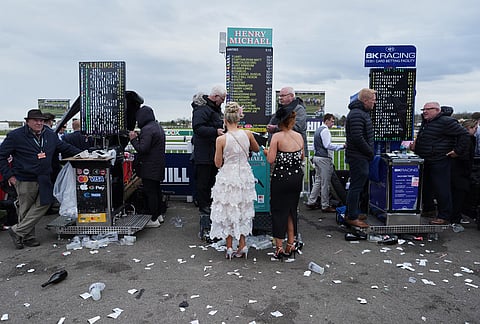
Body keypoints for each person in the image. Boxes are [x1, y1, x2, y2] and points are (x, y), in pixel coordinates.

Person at [0, 109, 82, 249]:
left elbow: (65, 147)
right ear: (28, 122)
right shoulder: (15, 136)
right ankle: (27, 238)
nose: (39, 123)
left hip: (44, 177)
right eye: (36, 120)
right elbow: (1, 156)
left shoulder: (50, 134)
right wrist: (9, 175)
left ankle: (17, 231)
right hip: (24, 178)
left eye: (41, 120)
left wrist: (85, 153)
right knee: (24, 209)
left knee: (45, 203)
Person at [209, 102, 259, 259]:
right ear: (239, 118)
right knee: (243, 209)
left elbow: (217, 163)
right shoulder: (248, 134)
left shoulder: (221, 139)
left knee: (228, 210)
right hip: (244, 175)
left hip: (227, 177)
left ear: (225, 119)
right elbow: (256, 149)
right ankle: (243, 245)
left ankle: (229, 247)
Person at [411, 102, 470, 225]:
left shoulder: (446, 122)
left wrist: (457, 151)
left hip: (439, 159)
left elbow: (464, 135)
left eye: (428, 109)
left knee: (441, 188)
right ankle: (429, 209)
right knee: (426, 186)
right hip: (425, 158)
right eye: (423, 109)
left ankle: (444, 215)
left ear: (437, 110)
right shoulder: (426, 122)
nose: (424, 111)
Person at [265, 104, 304, 260]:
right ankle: (291, 244)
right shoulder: (299, 136)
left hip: (281, 178)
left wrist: (267, 151)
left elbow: (270, 160)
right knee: (291, 211)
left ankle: (279, 247)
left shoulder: (277, 137)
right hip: (296, 178)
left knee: (278, 212)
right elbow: (301, 157)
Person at [191, 86, 226, 241]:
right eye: (222, 99)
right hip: (204, 154)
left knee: (211, 180)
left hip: (212, 153)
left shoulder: (213, 109)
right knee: (203, 181)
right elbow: (197, 128)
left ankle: (209, 205)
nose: (223, 102)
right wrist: (215, 131)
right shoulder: (202, 109)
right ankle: (204, 207)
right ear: (216, 97)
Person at [129, 105, 166, 228]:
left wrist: (133, 139)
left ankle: (153, 218)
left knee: (150, 192)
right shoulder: (157, 126)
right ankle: (159, 214)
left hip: (149, 166)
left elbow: (142, 149)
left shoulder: (147, 129)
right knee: (156, 191)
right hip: (158, 165)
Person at [344, 88, 376, 228]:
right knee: (356, 187)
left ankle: (353, 212)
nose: (374, 103)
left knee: (357, 186)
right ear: (365, 100)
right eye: (373, 100)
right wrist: (369, 152)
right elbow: (357, 137)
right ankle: (352, 216)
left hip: (359, 155)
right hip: (358, 156)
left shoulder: (360, 113)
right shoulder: (357, 114)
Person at [305, 113, 344, 212]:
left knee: (318, 181)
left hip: (317, 157)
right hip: (324, 159)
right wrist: (341, 146)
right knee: (325, 183)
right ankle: (325, 205)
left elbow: (315, 146)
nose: (333, 123)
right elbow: (327, 145)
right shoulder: (325, 130)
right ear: (326, 121)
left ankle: (311, 201)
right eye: (332, 121)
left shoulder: (318, 130)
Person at [450, 119, 477, 228]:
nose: (476, 131)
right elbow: (466, 157)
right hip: (461, 172)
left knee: (454, 195)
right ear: (468, 128)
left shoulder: (457, 138)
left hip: (455, 171)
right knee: (459, 196)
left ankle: (454, 216)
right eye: (474, 128)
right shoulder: (467, 140)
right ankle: (455, 218)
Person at [267, 87, 307, 156]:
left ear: (291, 96)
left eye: (283, 95)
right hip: (279, 152)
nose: (280, 98)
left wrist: (276, 128)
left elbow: (297, 127)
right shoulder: (280, 110)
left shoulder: (299, 110)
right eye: (279, 96)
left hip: (295, 152)